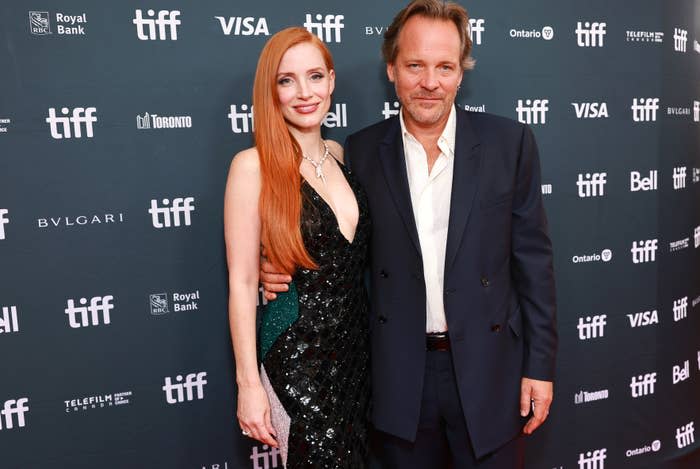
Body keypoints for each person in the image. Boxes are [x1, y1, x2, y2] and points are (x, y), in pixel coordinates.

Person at [261, 1, 557, 467]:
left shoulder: (510, 144)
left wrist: (539, 367)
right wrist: (276, 266)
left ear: (461, 73)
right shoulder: (359, 152)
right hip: (398, 377)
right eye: (415, 65)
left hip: (490, 372)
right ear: (392, 69)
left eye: (445, 66)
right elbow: (335, 246)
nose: (430, 82)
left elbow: (534, 266)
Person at [224, 27, 371, 468]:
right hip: (297, 358)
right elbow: (244, 281)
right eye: (286, 80)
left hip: (358, 356)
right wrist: (248, 385)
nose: (304, 93)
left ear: (331, 81)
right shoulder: (252, 167)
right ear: (271, 91)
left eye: (314, 76)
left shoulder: (340, 154)